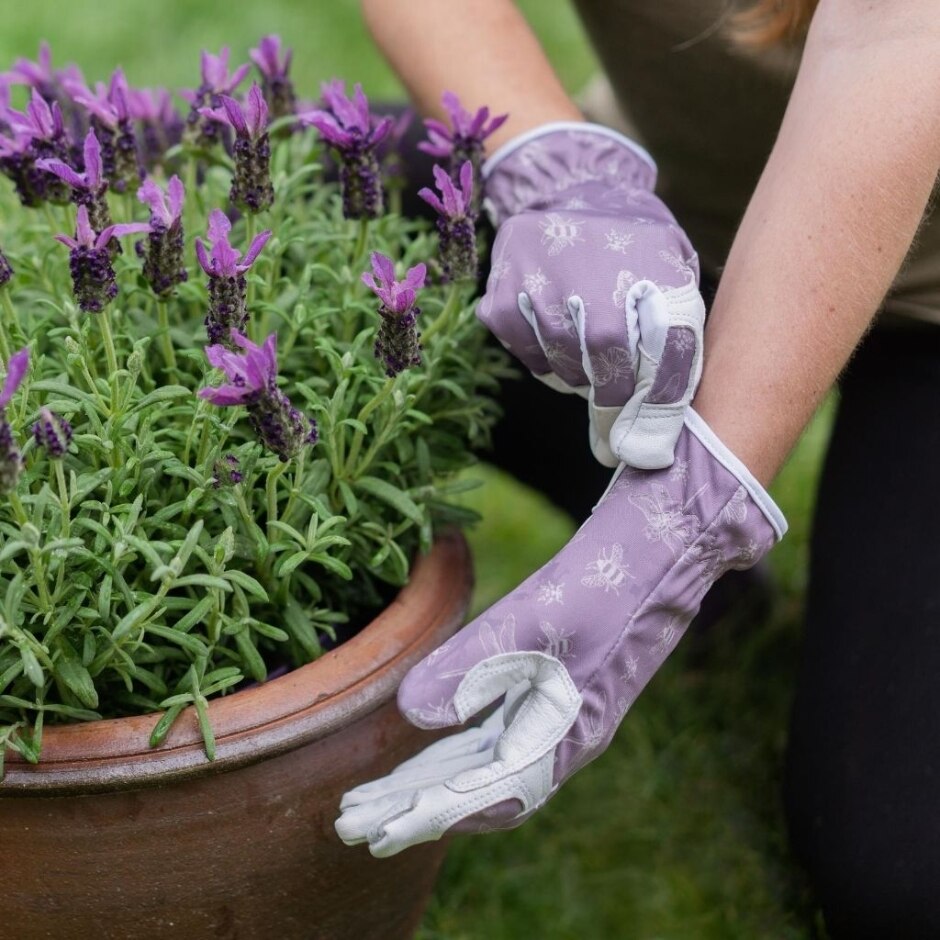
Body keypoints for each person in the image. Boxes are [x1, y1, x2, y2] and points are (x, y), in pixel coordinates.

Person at [335, 1, 940, 936]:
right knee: (282, 198)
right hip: (663, 229)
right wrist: (560, 176)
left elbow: (894, 31)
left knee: (903, 872)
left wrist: (676, 531)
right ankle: (708, 596)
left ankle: (675, 567)